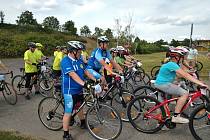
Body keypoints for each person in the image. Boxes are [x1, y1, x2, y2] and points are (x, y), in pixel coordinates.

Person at [154, 48, 208, 123]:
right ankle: (176, 116)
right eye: (181, 57)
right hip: (163, 84)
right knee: (184, 93)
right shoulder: (172, 64)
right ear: (177, 57)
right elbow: (185, 75)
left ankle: (162, 120)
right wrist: (200, 83)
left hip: (162, 84)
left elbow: (179, 74)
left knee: (162, 104)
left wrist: (190, 73)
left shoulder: (172, 64)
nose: (182, 59)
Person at [61, 41, 96, 140]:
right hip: (69, 91)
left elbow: (86, 71)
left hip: (79, 89)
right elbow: (73, 75)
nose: (81, 53)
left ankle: (83, 123)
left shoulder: (79, 60)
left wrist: (95, 79)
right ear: (73, 51)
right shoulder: (65, 61)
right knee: (68, 112)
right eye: (79, 51)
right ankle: (66, 135)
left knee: (80, 107)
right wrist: (85, 84)